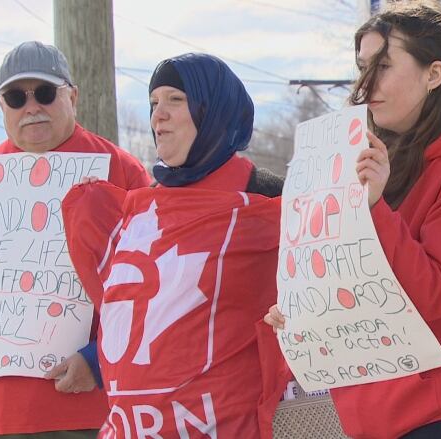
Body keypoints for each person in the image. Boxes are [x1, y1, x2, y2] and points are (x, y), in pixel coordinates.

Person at [264, 1, 441, 438]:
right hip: (395, 413)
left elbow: (429, 294)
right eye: (362, 66)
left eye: (384, 65)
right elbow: (367, 286)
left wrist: (373, 208)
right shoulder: (387, 163)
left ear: (434, 74)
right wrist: (309, 309)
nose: (366, 83)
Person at [0, 41, 151, 437]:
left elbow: (147, 288)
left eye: (45, 93)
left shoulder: (121, 173)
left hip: (99, 410)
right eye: (16, 97)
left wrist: (98, 361)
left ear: (73, 96)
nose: (31, 106)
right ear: (2, 106)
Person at [61, 53, 283, 438]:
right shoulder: (140, 209)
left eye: (175, 100)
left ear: (212, 109)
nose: (157, 116)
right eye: (153, 104)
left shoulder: (269, 197)